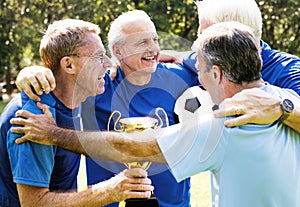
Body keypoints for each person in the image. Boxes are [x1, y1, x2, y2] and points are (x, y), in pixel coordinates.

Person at [11, 22, 300, 207]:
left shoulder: (220, 127)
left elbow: (132, 146)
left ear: (216, 73)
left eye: (199, 71)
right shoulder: (285, 100)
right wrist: (33, 71)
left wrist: (52, 134)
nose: (196, 78)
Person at [14, 10, 199, 207]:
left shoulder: (180, 77)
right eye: (142, 42)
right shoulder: (97, 86)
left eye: (155, 40)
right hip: (106, 199)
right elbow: (65, 79)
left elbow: (216, 61)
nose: (153, 47)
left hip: (171, 203)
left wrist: (175, 55)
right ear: (118, 52)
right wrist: (29, 72)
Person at [0, 19, 153, 207]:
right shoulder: (33, 118)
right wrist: (111, 191)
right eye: (98, 57)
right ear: (69, 66)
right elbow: (34, 203)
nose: (107, 64)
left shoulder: (78, 96)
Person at [178, 0, 300, 131]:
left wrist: (281, 109)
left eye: (205, 36)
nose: (196, 44)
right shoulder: (203, 64)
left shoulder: (289, 71)